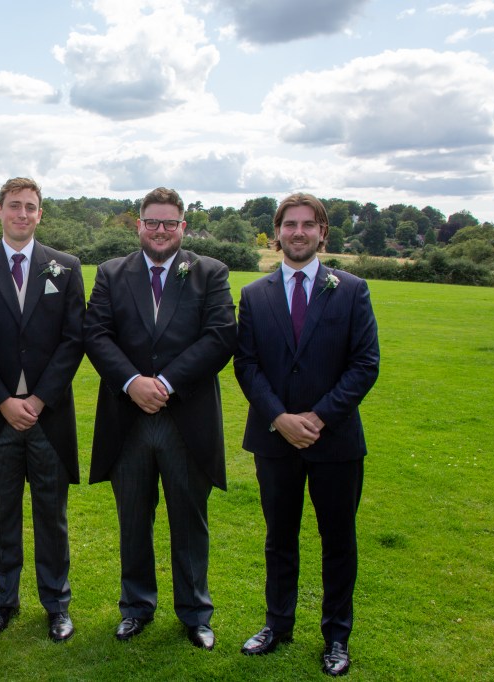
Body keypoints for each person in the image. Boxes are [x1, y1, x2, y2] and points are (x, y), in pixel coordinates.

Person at [84, 186, 236, 649]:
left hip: (185, 419)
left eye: (170, 222)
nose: (160, 230)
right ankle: (136, 608)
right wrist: (132, 382)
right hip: (127, 419)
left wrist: (166, 383)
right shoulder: (112, 272)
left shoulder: (210, 272)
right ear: (139, 225)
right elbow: (96, 333)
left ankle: (195, 613)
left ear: (183, 227)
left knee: (189, 520)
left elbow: (220, 336)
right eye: (152, 221)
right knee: (133, 519)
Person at [234, 193, 379, 677]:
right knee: (279, 538)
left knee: (338, 541)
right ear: (277, 233)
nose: (298, 232)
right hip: (274, 441)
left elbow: (365, 364)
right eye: (290, 224)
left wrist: (318, 417)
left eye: (308, 225)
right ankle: (277, 625)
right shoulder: (255, 295)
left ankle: (337, 636)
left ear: (322, 233)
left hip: (334, 441)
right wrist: (280, 418)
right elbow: (246, 365)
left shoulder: (351, 290)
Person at [0, 177, 85, 642]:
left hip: (49, 416)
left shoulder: (66, 267)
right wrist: (4, 401)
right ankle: (4, 602)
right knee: (3, 517)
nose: (22, 214)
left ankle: (57, 604)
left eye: (30, 207)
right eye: (14, 206)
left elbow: (73, 339)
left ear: (40, 214)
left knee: (52, 517)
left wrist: (39, 398)